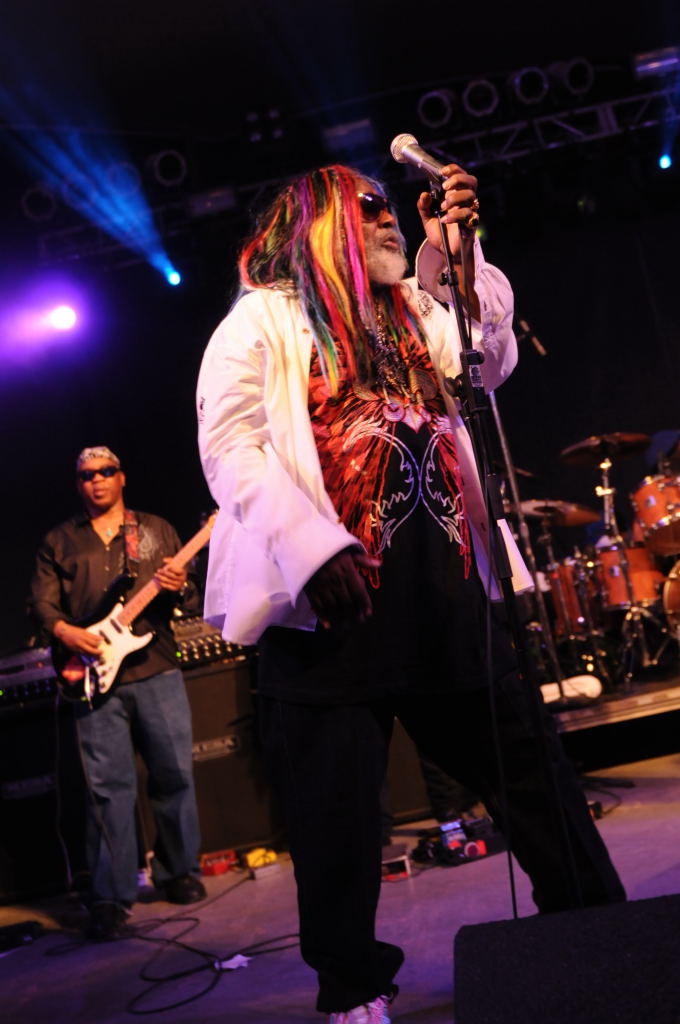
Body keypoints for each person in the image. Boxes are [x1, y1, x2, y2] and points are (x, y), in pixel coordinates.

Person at [197, 165, 625, 1022]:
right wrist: (312, 548)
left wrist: (460, 261)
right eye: (370, 209)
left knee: (533, 775)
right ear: (317, 225)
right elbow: (231, 445)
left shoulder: (416, 311)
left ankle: (600, 931)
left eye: (391, 208)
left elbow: (489, 364)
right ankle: (352, 985)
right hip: (331, 612)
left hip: (445, 595)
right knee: (336, 818)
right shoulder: (263, 319)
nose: (390, 218)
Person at [29, 446, 206, 940]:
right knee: (107, 790)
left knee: (174, 774)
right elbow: (41, 604)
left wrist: (179, 584)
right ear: (78, 483)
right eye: (87, 474)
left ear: (122, 477)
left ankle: (180, 871)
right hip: (92, 677)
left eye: (106, 471)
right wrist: (65, 632)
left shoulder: (156, 529)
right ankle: (111, 895)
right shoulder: (59, 541)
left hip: (156, 664)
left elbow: (191, 596)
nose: (98, 480)